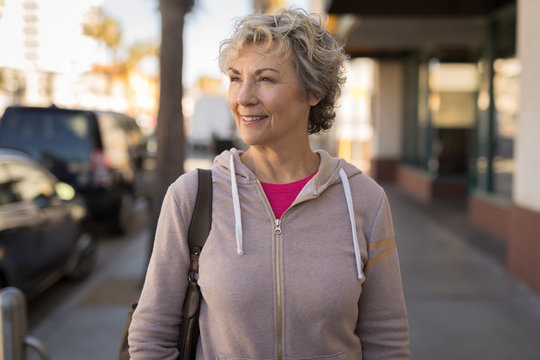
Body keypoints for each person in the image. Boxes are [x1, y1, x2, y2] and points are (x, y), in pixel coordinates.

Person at [128, 8, 409, 359]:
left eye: (265, 79)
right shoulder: (193, 197)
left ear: (314, 91)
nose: (243, 97)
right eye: (235, 77)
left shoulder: (365, 200)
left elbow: (387, 342)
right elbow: (150, 334)